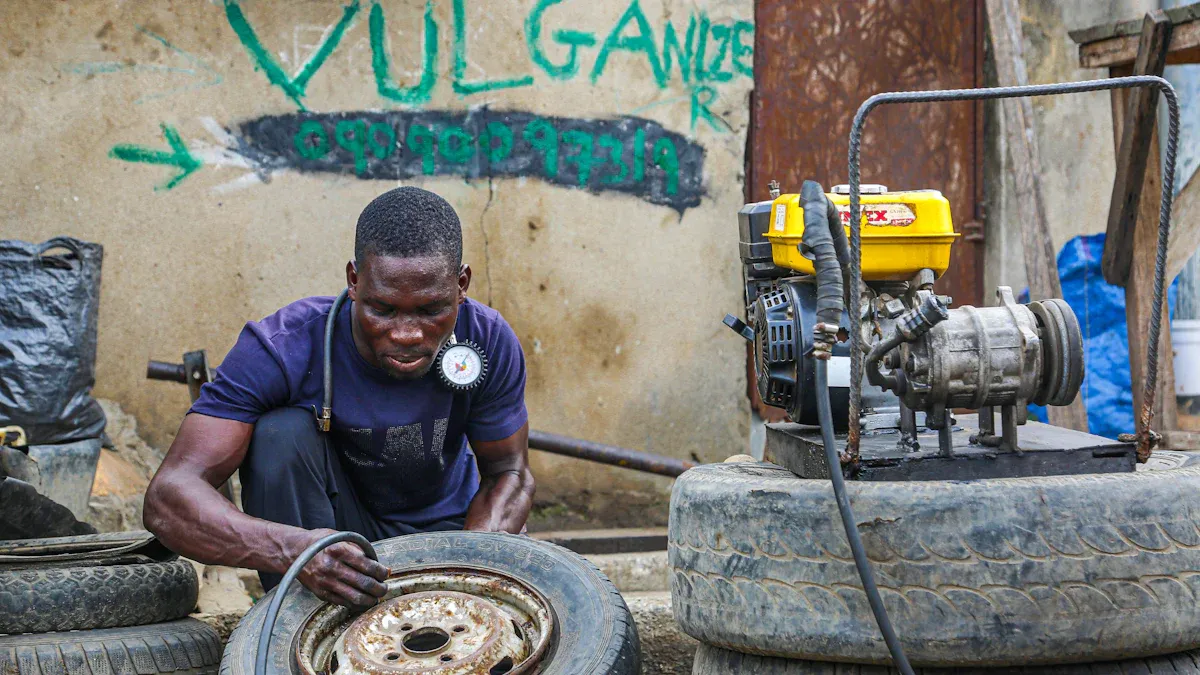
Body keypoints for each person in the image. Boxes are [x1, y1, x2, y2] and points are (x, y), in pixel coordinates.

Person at [143, 187, 534, 607]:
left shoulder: (488, 339)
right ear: (353, 280)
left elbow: (508, 472)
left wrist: (471, 559)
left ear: (461, 284)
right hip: (332, 545)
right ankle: (301, 624)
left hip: (450, 532)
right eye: (382, 309)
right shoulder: (284, 347)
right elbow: (169, 497)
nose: (406, 334)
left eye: (430, 310)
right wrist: (296, 551)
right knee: (279, 434)